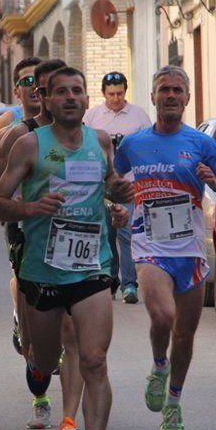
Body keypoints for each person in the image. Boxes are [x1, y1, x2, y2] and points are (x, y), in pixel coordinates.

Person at [0, 66, 133, 430]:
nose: (71, 97)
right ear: (47, 100)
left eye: (77, 91)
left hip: (91, 267)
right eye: (61, 92)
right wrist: (31, 210)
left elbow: (109, 184)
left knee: (93, 359)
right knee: (48, 360)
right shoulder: (29, 145)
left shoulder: (100, 141)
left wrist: (118, 199)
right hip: (42, 271)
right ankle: (35, 363)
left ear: (87, 100)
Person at [113, 65, 216, 430]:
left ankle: (173, 402)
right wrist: (118, 206)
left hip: (189, 251)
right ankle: (159, 365)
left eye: (177, 90)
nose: (170, 95)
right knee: (163, 318)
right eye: (163, 90)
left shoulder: (201, 144)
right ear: (153, 97)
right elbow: (113, 183)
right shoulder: (132, 145)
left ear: (187, 98)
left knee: (185, 337)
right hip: (148, 245)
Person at [0, 59, 69, 430]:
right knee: (36, 329)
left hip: (71, 235)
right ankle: (39, 387)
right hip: (26, 232)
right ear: (20, 89)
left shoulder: (78, 130)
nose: (37, 88)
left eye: (44, 81)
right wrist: (14, 208)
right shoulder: (12, 129)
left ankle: (72, 417)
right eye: (29, 82)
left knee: (74, 324)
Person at [83, 72, 152, 304]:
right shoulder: (91, 117)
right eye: (111, 94)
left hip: (129, 187)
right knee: (106, 235)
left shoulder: (139, 116)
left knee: (127, 234)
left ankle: (129, 284)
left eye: (120, 93)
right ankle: (110, 281)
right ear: (104, 93)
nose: (116, 98)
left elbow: (148, 148)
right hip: (101, 189)